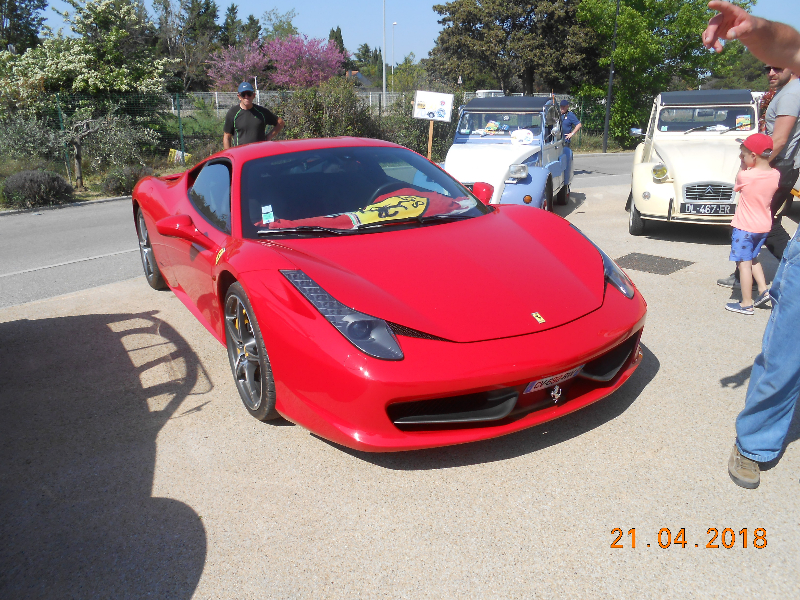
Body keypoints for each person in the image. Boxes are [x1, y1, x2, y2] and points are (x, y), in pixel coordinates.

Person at [703, 2, 800, 489]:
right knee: (788, 346)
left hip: (751, 221)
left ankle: (750, 297)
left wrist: (752, 167)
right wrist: (754, 29)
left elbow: (774, 146)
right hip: (776, 210)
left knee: (748, 257)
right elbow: (792, 46)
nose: (771, 73)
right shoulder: (788, 84)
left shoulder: (752, 172)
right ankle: (755, 442)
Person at [716, 67, 800, 290]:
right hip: (776, 166)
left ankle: (794, 273)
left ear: (791, 65)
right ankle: (745, 276)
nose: (770, 72)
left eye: (777, 67)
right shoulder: (787, 91)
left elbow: (779, 140)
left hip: (778, 165)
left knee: (764, 224)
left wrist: (756, 167)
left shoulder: (792, 94)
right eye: (767, 68)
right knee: (756, 222)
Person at [724, 133, 780, 315]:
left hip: (745, 227)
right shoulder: (775, 174)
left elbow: (737, 185)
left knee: (744, 264)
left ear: (753, 156)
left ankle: (746, 303)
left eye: (743, 155)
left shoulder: (746, 176)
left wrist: (742, 167)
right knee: (753, 258)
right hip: (763, 227)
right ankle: (763, 290)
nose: (741, 157)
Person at [223, 81, 285, 149]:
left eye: (249, 94)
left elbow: (280, 122)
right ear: (239, 97)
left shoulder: (261, 112)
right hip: (240, 153)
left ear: (254, 95)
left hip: (259, 152)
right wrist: (229, 153)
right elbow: (227, 136)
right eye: (243, 94)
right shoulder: (233, 113)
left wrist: (268, 137)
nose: (246, 97)